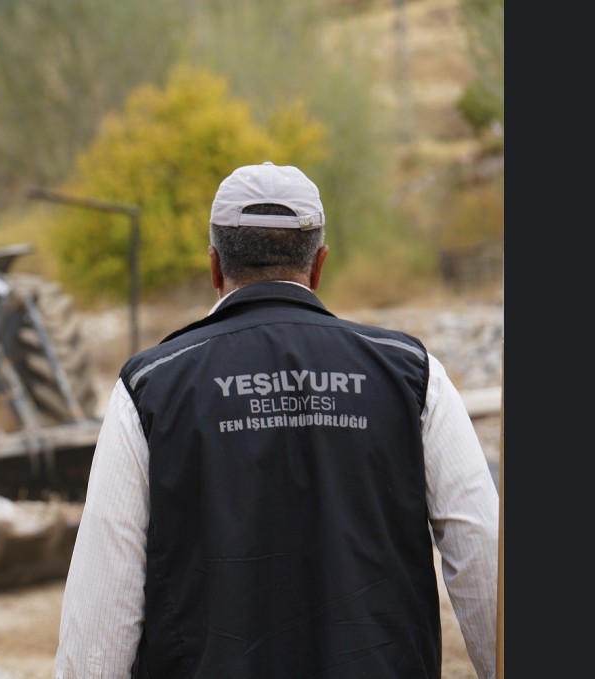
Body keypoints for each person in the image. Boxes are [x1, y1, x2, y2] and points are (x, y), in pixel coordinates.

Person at [53, 161, 499, 678]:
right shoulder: (413, 375)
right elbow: (483, 551)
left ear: (214, 266)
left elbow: (102, 608)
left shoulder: (150, 387)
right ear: (319, 264)